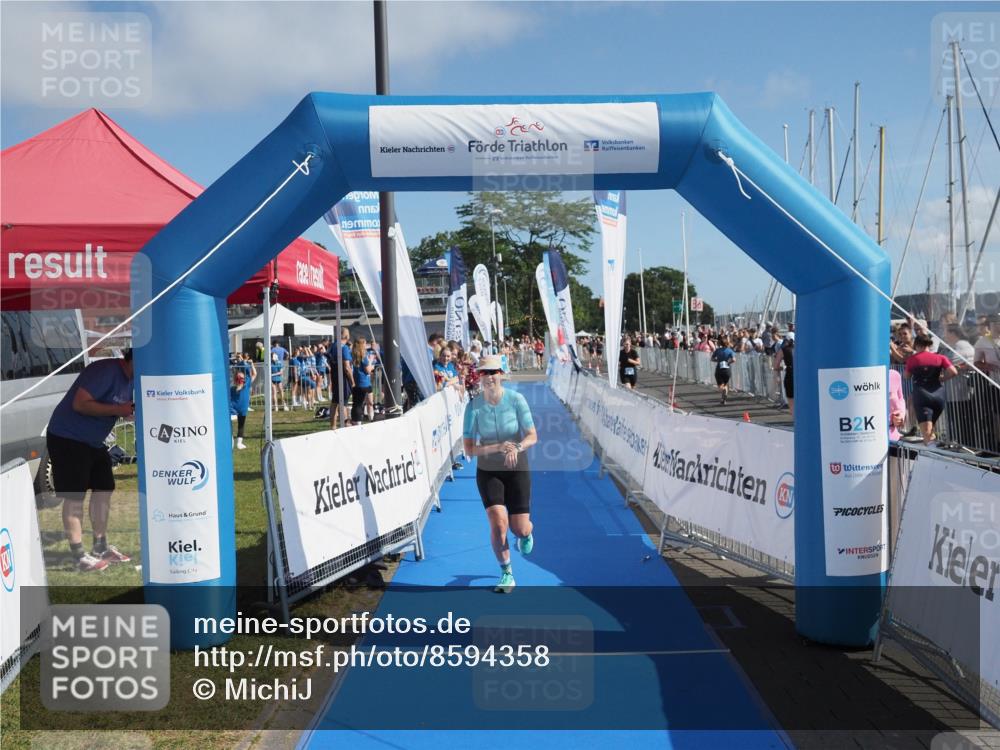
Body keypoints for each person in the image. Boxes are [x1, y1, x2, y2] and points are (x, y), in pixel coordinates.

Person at [45, 350, 135, 572]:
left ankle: (100, 547)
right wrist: (118, 410)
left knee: (104, 489)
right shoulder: (105, 370)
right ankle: (79, 556)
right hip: (68, 437)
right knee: (74, 497)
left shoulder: (132, 378)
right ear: (132, 359)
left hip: (93, 442)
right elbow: (80, 404)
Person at [462, 355, 539, 594]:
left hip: (516, 466)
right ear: (479, 377)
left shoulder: (517, 400)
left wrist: (515, 447)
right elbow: (469, 450)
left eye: (494, 372)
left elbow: (532, 436)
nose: (489, 377)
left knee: (520, 528)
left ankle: (527, 533)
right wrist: (497, 447)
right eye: (484, 373)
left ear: (502, 374)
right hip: (488, 469)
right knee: (498, 523)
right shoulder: (473, 407)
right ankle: (507, 572)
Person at [904, 333, 958, 446]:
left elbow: (907, 376)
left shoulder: (912, 359)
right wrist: (943, 378)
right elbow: (953, 372)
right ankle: (934, 450)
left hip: (922, 396)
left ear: (916, 345)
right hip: (939, 396)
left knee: (927, 433)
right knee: (931, 429)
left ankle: (933, 456)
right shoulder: (941, 357)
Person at [327, 327, 354, 429]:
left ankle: (333, 426)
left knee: (335, 402)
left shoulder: (333, 346)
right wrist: (352, 381)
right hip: (343, 378)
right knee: (343, 402)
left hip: (335, 376)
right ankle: (345, 424)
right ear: (346, 336)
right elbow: (347, 367)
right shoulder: (344, 347)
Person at [230, 355, 256, 449]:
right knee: (240, 424)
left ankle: (235, 441)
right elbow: (254, 374)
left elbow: (253, 374)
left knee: (236, 425)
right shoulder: (246, 382)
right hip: (239, 408)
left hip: (235, 408)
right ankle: (237, 442)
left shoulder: (235, 386)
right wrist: (251, 364)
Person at [350, 337, 375, 424]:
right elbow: (368, 370)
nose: (366, 345)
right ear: (361, 345)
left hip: (360, 383)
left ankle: (368, 419)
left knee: (361, 403)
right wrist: (371, 362)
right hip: (363, 383)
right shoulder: (363, 357)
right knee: (360, 404)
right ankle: (361, 421)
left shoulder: (352, 354)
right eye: (365, 343)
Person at [774, 332, 795, 416]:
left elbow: (775, 366)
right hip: (801, 375)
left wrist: (782, 368)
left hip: (790, 374)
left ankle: (795, 419)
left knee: (791, 398)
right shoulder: (802, 348)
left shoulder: (783, 349)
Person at [711, 335, 735, 404]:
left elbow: (712, 359)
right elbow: (734, 359)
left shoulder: (717, 351)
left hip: (719, 370)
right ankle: (723, 399)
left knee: (721, 385)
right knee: (726, 384)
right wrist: (728, 362)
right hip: (727, 370)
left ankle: (723, 391)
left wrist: (718, 361)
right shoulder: (730, 351)